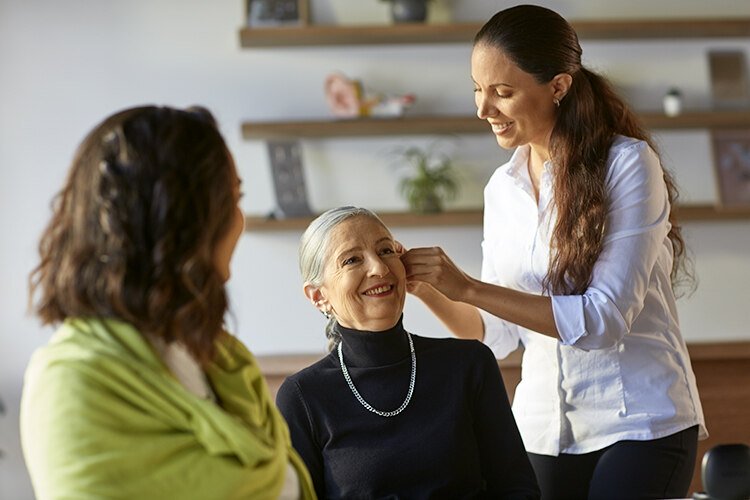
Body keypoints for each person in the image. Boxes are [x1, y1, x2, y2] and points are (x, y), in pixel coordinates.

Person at [400, 5, 708, 500]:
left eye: (502, 92)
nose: (483, 109)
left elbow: (604, 318)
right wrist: (430, 288)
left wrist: (470, 287)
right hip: (542, 427)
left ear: (558, 87)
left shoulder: (627, 165)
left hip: (640, 422)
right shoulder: (502, 189)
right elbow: (492, 336)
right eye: (478, 89)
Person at [21, 105, 315, 499]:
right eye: (232, 198)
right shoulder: (73, 386)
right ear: (185, 222)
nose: (238, 219)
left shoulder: (225, 363)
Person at [276, 206, 540, 499]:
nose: (379, 268)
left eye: (386, 251)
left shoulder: (468, 364)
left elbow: (517, 489)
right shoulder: (303, 396)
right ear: (318, 296)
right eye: (352, 260)